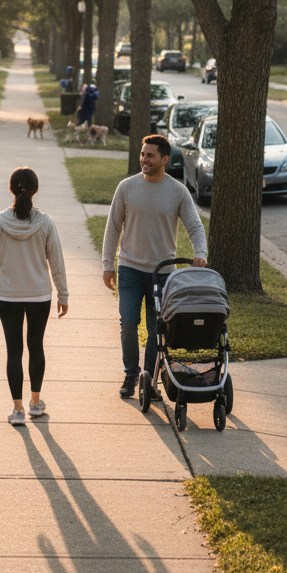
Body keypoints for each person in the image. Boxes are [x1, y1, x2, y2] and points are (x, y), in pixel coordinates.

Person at [102, 134, 207, 397]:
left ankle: (148, 379)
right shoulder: (126, 187)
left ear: (164, 159)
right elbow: (113, 227)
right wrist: (108, 265)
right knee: (128, 322)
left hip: (163, 273)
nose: (144, 159)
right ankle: (130, 375)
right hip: (130, 267)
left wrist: (201, 253)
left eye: (150, 155)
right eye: (142, 154)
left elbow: (194, 226)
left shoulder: (177, 191)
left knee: (156, 329)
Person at [0, 167, 68, 425]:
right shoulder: (46, 222)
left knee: (14, 350)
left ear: (11, 189)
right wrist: (63, 294)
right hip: (40, 296)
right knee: (36, 346)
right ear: (35, 190)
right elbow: (57, 262)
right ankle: (35, 403)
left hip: (9, 296)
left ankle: (17, 410)